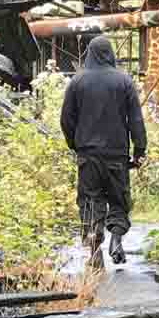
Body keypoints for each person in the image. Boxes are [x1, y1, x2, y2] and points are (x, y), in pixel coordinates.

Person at [60, 35, 147, 267]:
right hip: (117, 156)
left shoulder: (77, 82)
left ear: (90, 53)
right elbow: (136, 119)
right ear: (110, 54)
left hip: (88, 155)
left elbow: (66, 119)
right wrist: (139, 150)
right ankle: (116, 238)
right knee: (118, 200)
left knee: (90, 201)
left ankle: (94, 250)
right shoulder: (124, 81)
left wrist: (74, 143)